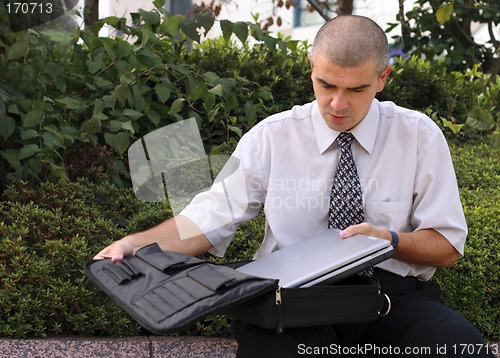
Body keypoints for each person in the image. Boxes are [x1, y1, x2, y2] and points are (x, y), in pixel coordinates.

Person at [94, 15, 494, 358]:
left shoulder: (418, 136)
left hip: (388, 297)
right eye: (325, 85)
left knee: (460, 347)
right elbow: (205, 221)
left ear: (383, 78)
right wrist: (137, 244)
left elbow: (446, 247)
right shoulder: (272, 137)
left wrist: (388, 240)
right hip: (287, 300)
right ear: (310, 67)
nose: (337, 104)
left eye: (356, 89)